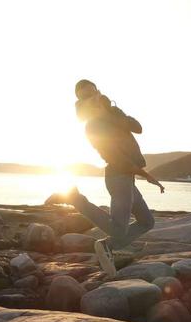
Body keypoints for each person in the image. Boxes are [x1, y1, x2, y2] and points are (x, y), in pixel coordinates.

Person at [46, 79, 165, 277]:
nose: (93, 96)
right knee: (119, 230)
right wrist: (147, 175)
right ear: (82, 102)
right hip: (118, 177)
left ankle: (107, 246)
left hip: (128, 178)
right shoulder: (92, 126)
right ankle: (74, 199)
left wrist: (114, 112)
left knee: (147, 222)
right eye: (87, 95)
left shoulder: (112, 114)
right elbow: (116, 158)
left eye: (94, 92)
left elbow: (138, 127)